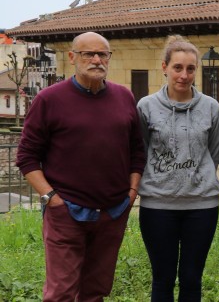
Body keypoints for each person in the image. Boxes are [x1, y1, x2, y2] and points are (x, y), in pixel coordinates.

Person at [16, 31, 146, 301]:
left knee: (96, 291)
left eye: (103, 54)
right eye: (89, 53)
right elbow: (27, 156)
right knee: (61, 292)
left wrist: (132, 192)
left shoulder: (124, 97)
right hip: (66, 213)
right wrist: (51, 198)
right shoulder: (49, 100)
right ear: (73, 57)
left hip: (112, 212)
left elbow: (137, 150)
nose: (97, 60)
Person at [137, 35, 219, 302]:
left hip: (201, 206)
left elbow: (214, 152)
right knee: (162, 280)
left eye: (190, 68)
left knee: (191, 279)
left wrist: (198, 178)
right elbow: (140, 151)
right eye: (177, 67)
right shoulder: (146, 107)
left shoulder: (211, 107)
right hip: (157, 206)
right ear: (164, 67)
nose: (184, 75)